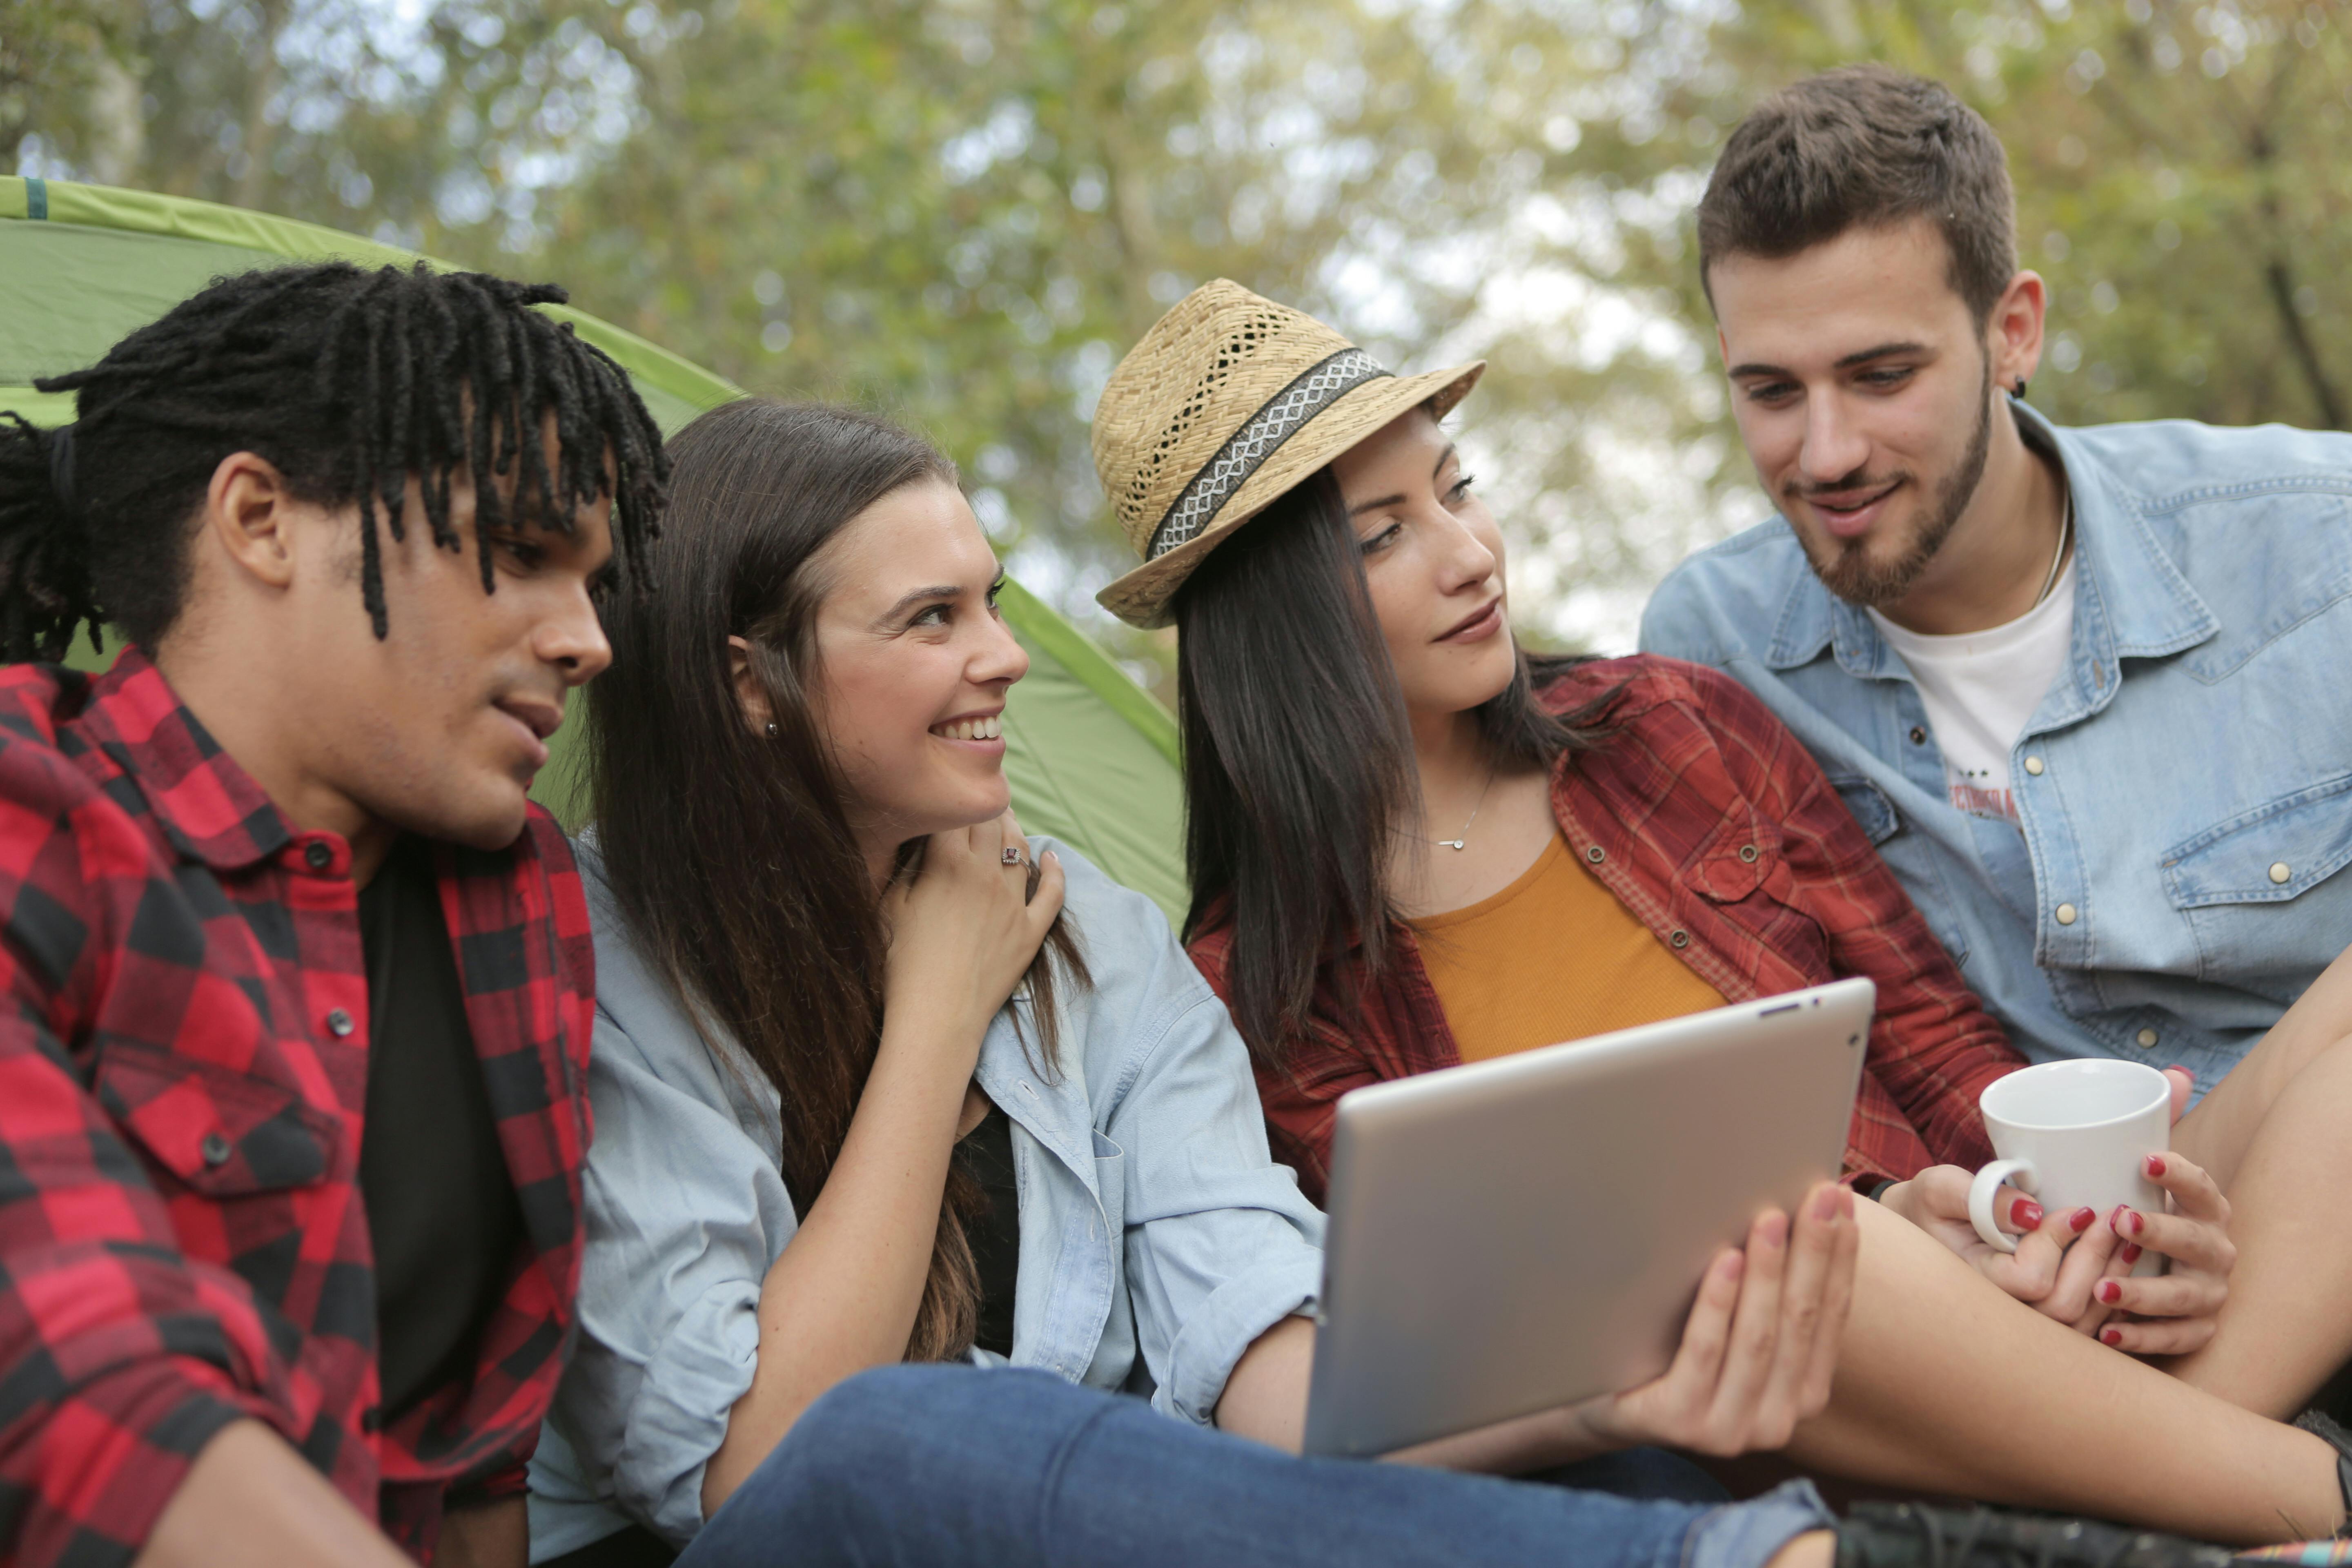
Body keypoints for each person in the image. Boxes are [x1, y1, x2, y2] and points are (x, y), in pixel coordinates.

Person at [521, 396, 2158, 1568]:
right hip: (833, 1524)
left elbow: (1257, 1355)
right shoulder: (605, 963)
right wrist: (935, 1014)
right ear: (754, 687)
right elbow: (760, 1476)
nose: (1004, 657)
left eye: (995, 604)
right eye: (932, 619)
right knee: (906, 1433)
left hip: (1134, 1521)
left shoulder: (1097, 943)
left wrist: (1599, 1380)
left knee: (1628, 1440)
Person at [1086, 277, 2352, 1544]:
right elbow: (1460, 1352)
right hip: (1764, 1409)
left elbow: (1936, 1046)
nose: (1472, 554)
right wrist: (1880, 1245)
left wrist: (2030, 1215)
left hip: (1987, 1296)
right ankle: (2289, 1494)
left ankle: (2198, 1492)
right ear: (1271, 618)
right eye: (1382, 537)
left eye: (1457, 490)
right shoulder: (1265, 986)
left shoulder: (1668, 727)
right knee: (1798, 1245)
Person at [1636, 63, 2352, 1425]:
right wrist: (1921, 1207)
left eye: (1882, 373)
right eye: (1770, 391)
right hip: (2024, 1279)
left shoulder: (2320, 544)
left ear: (2012, 330)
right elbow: (1754, 1039)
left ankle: (2178, 1482)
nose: (1825, 451)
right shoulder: (1710, 648)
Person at [0, 261, 667, 1566]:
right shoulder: (33, 814)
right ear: (261, 521)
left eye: (593, 583)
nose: (589, 640)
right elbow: (76, 1384)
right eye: (524, 553)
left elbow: (472, 1459)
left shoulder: (522, 895)